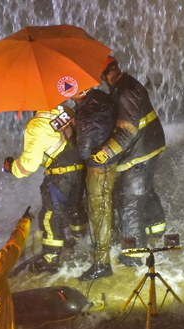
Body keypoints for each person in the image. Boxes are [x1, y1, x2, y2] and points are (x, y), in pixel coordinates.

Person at [91, 56, 167, 266]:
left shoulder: (124, 93)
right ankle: (156, 228)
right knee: (144, 188)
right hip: (149, 145)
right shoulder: (127, 84)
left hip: (140, 151)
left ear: (105, 74)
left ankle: (133, 254)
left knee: (130, 201)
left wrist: (105, 152)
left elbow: (126, 131)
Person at [3, 106, 87, 274]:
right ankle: (81, 240)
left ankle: (51, 258)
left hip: (59, 176)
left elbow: (29, 164)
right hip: (79, 169)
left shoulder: (36, 125)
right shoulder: (67, 112)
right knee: (74, 206)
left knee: (50, 216)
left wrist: (12, 167)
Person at [70, 88, 118, 281]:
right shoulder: (100, 98)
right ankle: (104, 245)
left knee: (99, 213)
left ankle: (102, 264)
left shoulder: (87, 116)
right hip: (109, 162)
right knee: (103, 210)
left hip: (98, 168)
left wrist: (71, 131)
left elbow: (82, 152)